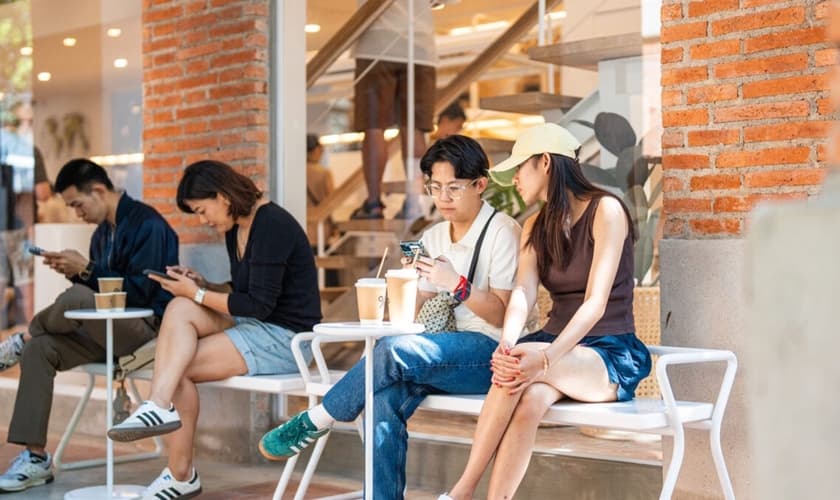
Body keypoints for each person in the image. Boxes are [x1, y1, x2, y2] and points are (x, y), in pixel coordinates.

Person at [259, 135, 525, 500]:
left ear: (480, 185)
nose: (443, 197)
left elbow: (501, 314)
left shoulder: (502, 232)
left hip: (491, 355)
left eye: (454, 188)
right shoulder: (432, 236)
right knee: (379, 398)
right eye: (435, 187)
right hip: (441, 354)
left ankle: (318, 419)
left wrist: (457, 285)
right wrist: (413, 287)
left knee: (394, 351)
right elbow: (412, 320)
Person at [439, 123, 652, 500]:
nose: (516, 180)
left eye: (520, 169)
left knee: (522, 366)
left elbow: (596, 302)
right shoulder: (535, 225)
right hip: (551, 346)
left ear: (546, 163)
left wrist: (546, 358)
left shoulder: (607, 211)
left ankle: (461, 492)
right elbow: (523, 290)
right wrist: (506, 343)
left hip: (606, 352)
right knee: (529, 398)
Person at [107, 160, 322, 499]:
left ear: (222, 197)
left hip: (287, 339)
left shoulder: (273, 224)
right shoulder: (236, 229)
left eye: (201, 210)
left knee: (176, 366)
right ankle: (160, 407)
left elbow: (260, 305)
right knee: (179, 308)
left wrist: (199, 294)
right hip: (256, 325)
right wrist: (202, 285)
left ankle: (179, 471)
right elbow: (242, 291)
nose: (203, 220)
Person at [0, 158, 179, 493]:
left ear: (98, 190)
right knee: (41, 349)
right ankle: (35, 459)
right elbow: (100, 291)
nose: (76, 213)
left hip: (145, 332)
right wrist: (74, 269)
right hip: (107, 332)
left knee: (80, 295)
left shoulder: (149, 225)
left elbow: (142, 294)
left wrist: (85, 272)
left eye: (77, 204)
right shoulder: (101, 234)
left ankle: (23, 336)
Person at [350, 0, 438, 220]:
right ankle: (415, 200)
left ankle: (373, 204)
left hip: (376, 40)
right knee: (415, 128)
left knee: (373, 126)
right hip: (420, 42)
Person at [305, 133, 336, 245]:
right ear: (316, 150)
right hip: (321, 228)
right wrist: (335, 226)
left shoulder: (298, 173)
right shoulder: (324, 173)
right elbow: (331, 201)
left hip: (302, 224)